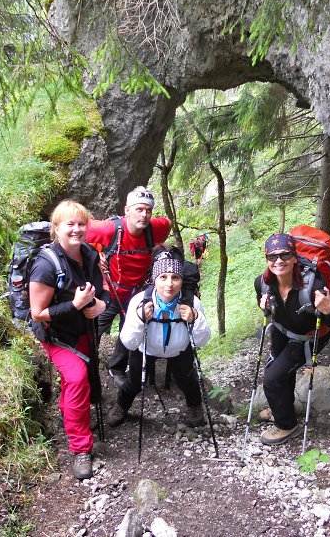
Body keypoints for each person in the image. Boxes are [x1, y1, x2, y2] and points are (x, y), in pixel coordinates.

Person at [29, 200, 108, 480]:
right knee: (76, 379)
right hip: (57, 335)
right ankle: (80, 448)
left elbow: (100, 290)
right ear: (56, 228)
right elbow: (37, 313)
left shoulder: (88, 254)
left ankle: (71, 419)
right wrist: (75, 305)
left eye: (81, 224)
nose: (76, 229)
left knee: (80, 380)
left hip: (83, 329)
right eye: (69, 224)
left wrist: (99, 304)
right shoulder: (45, 266)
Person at [254, 233, 330, 445]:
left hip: (309, 338)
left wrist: (328, 309)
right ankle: (282, 407)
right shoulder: (262, 283)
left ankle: (286, 425)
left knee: (272, 378)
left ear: (295, 257)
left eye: (285, 255)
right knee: (281, 371)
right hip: (281, 331)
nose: (278, 261)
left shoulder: (313, 286)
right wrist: (263, 306)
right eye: (272, 257)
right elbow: (267, 307)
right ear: (266, 259)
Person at [106, 248, 211, 428]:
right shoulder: (140, 301)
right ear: (154, 279)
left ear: (181, 279)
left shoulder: (192, 302)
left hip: (179, 348)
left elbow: (202, 341)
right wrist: (140, 319)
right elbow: (129, 342)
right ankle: (121, 407)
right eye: (163, 277)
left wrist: (195, 318)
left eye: (175, 277)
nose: (169, 284)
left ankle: (195, 408)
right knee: (134, 381)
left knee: (187, 379)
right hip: (146, 348)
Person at [86, 187, 171, 388]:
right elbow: (79, 232)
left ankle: (117, 368)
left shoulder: (156, 228)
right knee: (95, 330)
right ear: (127, 210)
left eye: (148, 210)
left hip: (136, 293)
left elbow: (167, 224)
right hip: (109, 292)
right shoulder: (107, 229)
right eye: (139, 209)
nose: (144, 214)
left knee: (130, 331)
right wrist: (95, 255)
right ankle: (88, 370)